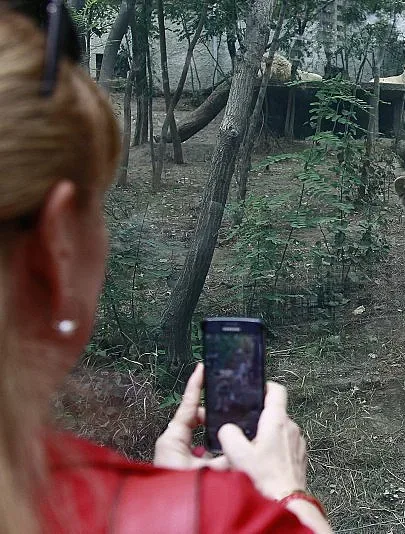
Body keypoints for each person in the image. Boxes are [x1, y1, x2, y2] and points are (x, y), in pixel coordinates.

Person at [0, 3, 331, 533]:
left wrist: (163, 496)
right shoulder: (229, 519)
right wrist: (286, 497)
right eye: (100, 206)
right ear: (56, 243)